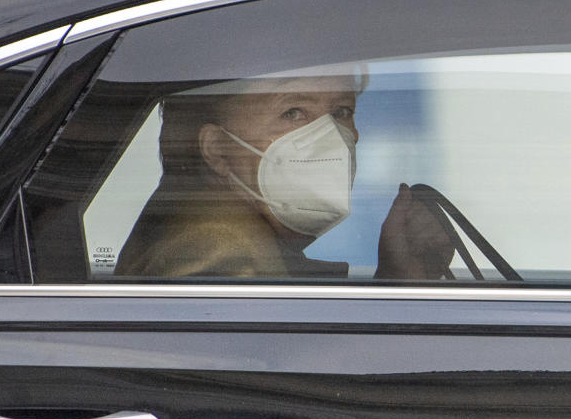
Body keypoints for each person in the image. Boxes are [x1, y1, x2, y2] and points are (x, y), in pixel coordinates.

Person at [114, 71, 453, 280]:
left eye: (341, 112)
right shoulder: (217, 258)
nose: (331, 137)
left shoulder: (221, 243)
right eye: (292, 112)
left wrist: (395, 280)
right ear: (218, 149)